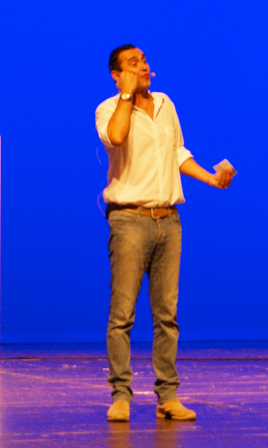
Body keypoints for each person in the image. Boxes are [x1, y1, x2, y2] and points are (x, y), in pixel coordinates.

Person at [94, 44, 234, 423]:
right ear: (116, 74)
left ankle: (167, 396)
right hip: (128, 219)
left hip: (168, 221)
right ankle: (121, 394)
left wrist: (211, 179)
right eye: (132, 63)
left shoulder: (166, 104)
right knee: (122, 314)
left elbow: (176, 152)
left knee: (166, 315)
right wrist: (127, 93)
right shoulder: (108, 109)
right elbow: (118, 137)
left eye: (144, 61)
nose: (143, 66)